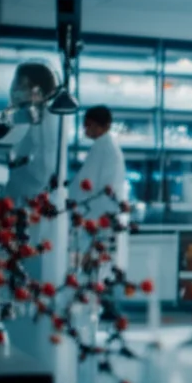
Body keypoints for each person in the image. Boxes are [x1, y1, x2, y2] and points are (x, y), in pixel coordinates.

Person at [68, 106, 128, 276]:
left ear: (98, 125)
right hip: (103, 214)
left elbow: (86, 183)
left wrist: (65, 197)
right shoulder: (109, 146)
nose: (85, 129)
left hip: (96, 215)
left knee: (87, 268)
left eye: (88, 125)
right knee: (97, 267)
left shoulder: (103, 147)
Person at [4, 62, 61, 203]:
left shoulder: (42, 120)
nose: (14, 91)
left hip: (30, 195)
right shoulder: (36, 118)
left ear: (37, 93)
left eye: (20, 86)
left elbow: (42, 170)